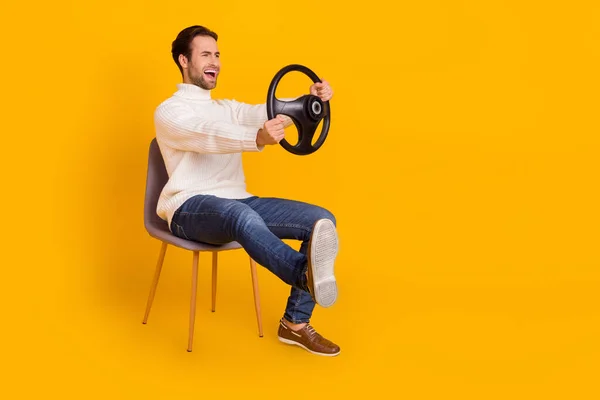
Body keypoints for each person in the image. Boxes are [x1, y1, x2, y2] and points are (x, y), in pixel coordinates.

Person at [153, 25, 341, 356]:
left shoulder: (227, 107)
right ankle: (304, 273)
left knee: (320, 219)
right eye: (206, 54)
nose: (216, 61)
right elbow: (207, 133)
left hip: (239, 201)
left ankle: (294, 324)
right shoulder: (169, 112)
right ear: (184, 60)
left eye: (218, 54)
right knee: (240, 214)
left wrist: (308, 102)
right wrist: (255, 138)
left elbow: (265, 112)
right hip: (188, 208)